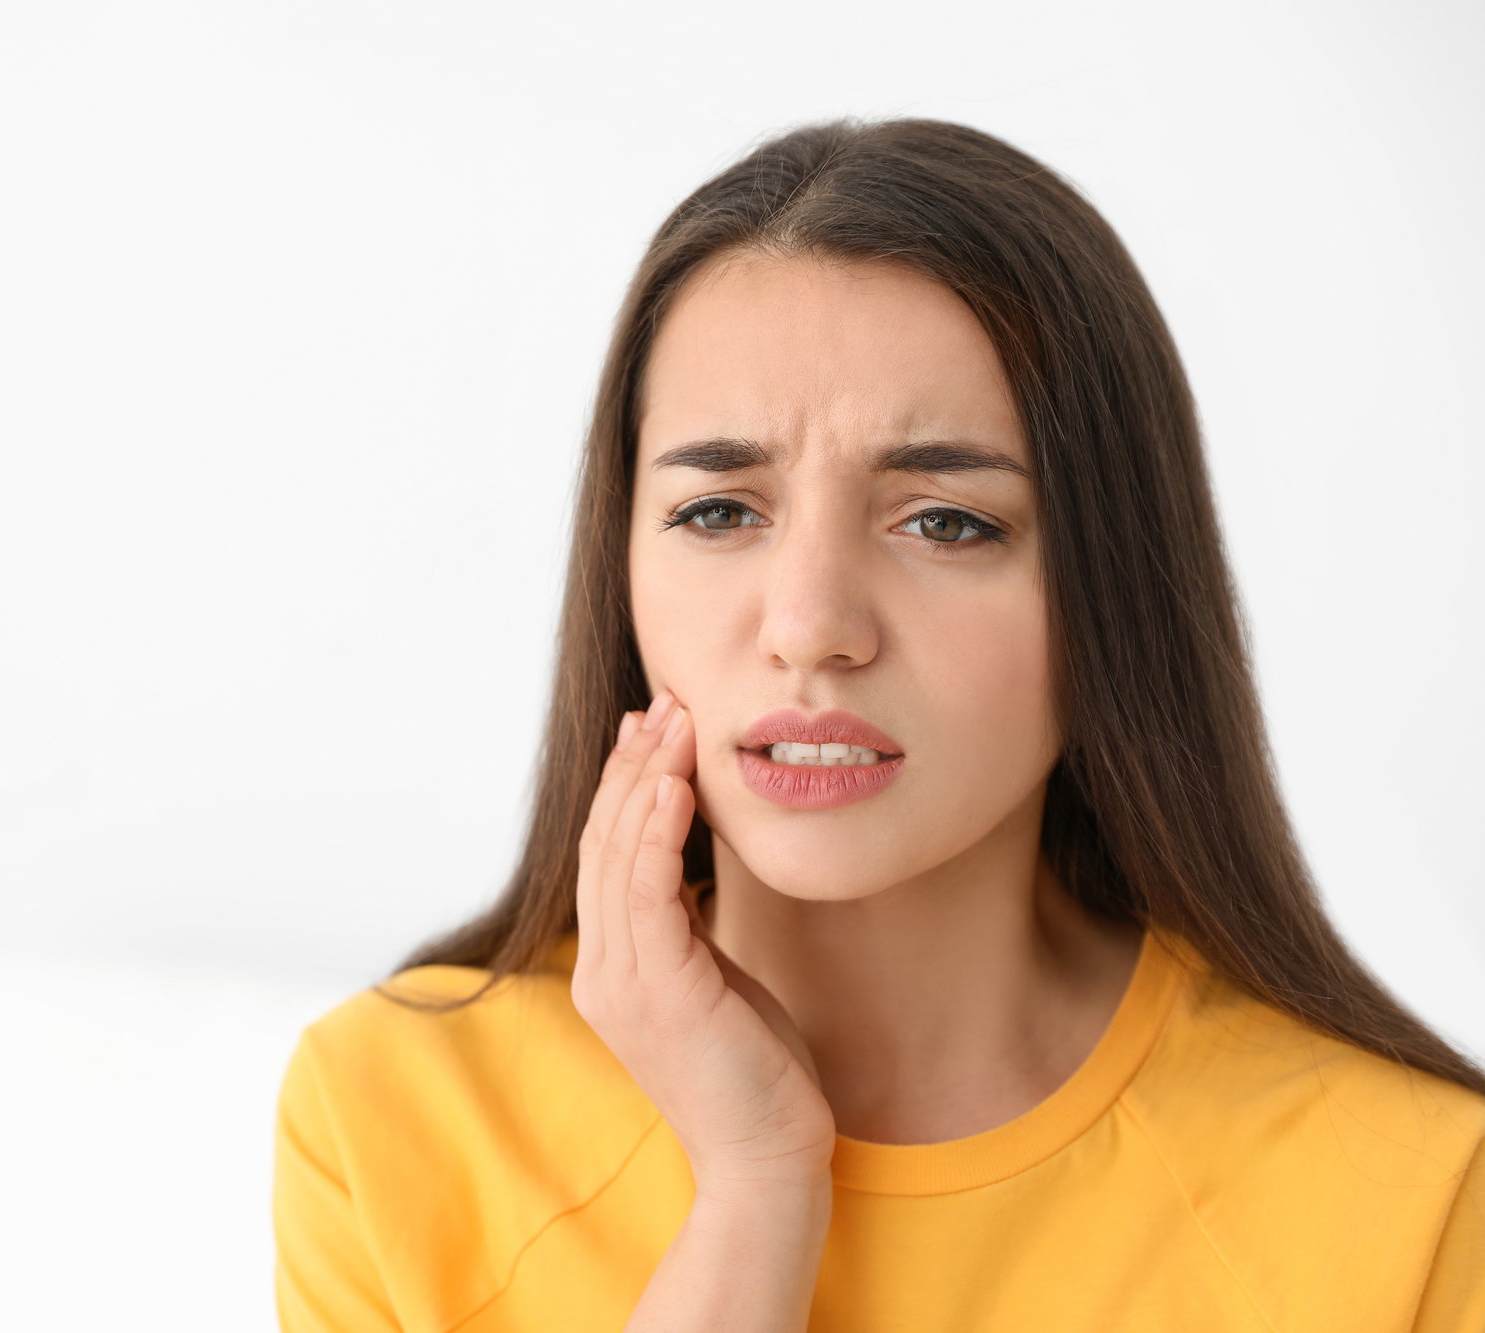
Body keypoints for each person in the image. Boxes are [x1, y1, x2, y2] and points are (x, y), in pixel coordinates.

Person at [271, 119, 1485, 1332]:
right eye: (717, 511)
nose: (809, 626)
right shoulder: (392, 1124)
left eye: (945, 521)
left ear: (1112, 586)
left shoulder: (1413, 1199)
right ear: (618, 567)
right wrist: (752, 1196)